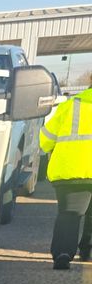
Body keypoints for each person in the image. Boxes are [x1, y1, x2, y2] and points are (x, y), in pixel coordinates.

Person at [39, 84, 92, 268]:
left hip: (72, 170)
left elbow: (45, 138)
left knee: (70, 214)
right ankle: (89, 251)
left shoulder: (70, 106)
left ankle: (63, 254)